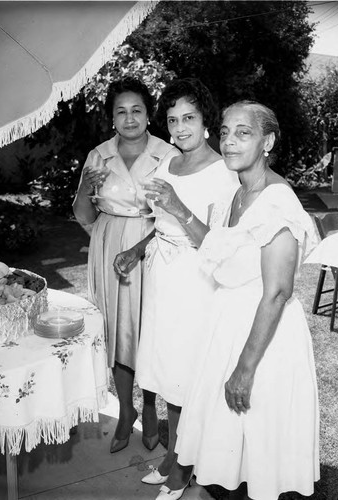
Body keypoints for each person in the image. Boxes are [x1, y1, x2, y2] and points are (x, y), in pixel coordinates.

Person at [160, 101, 320, 500]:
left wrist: (245, 368)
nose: (230, 141)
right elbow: (220, 248)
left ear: (267, 141)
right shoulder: (238, 193)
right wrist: (178, 209)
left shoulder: (278, 202)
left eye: (243, 133)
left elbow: (278, 292)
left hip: (264, 338)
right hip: (229, 325)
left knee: (258, 447)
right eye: (226, 131)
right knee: (227, 445)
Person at [113, 78, 239, 486]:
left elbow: (218, 243)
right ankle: (173, 457)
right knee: (167, 371)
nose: (180, 127)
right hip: (161, 273)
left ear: (206, 121)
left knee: (188, 373)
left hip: (195, 279)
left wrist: (177, 205)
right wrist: (137, 249)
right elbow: (161, 223)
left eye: (189, 117)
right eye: (172, 119)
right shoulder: (168, 163)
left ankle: (184, 468)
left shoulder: (224, 172)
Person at [73, 77, 178, 454]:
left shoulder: (169, 155)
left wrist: (138, 247)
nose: (129, 118)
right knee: (115, 330)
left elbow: (176, 218)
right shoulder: (98, 155)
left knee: (146, 330)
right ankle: (124, 409)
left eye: (137, 110)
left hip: (154, 245)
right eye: (121, 111)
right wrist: (86, 185)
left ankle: (150, 408)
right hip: (106, 246)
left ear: (149, 115)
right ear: (111, 118)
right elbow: (83, 213)